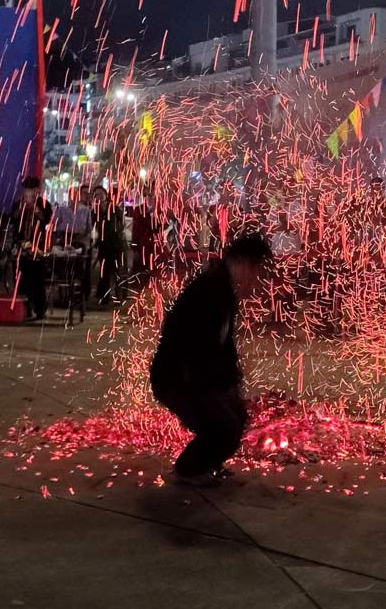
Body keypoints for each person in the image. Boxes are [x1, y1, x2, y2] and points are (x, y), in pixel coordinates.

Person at [150, 234, 272, 484]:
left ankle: (208, 461)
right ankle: (188, 469)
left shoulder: (224, 289)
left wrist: (233, 380)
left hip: (194, 376)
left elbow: (222, 347)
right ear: (244, 264)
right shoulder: (211, 291)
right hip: (178, 378)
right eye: (257, 271)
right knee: (224, 427)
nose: (257, 281)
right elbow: (198, 349)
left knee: (237, 416)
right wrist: (218, 388)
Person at [11, 176, 52, 319]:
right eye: (27, 190)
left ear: (37, 191)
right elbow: (13, 219)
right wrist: (22, 209)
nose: (29, 193)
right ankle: (25, 309)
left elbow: (47, 221)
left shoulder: (45, 204)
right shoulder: (18, 204)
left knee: (37, 279)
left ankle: (40, 309)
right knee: (21, 279)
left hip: (38, 247)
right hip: (22, 245)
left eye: (32, 190)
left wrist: (36, 211)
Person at [92, 185, 127, 306]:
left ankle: (119, 296)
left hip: (115, 243)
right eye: (96, 194)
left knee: (117, 270)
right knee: (104, 271)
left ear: (105, 194)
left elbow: (122, 222)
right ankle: (105, 296)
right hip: (103, 243)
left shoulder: (114, 207)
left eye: (101, 193)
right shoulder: (95, 210)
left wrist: (116, 232)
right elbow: (92, 225)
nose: (99, 196)